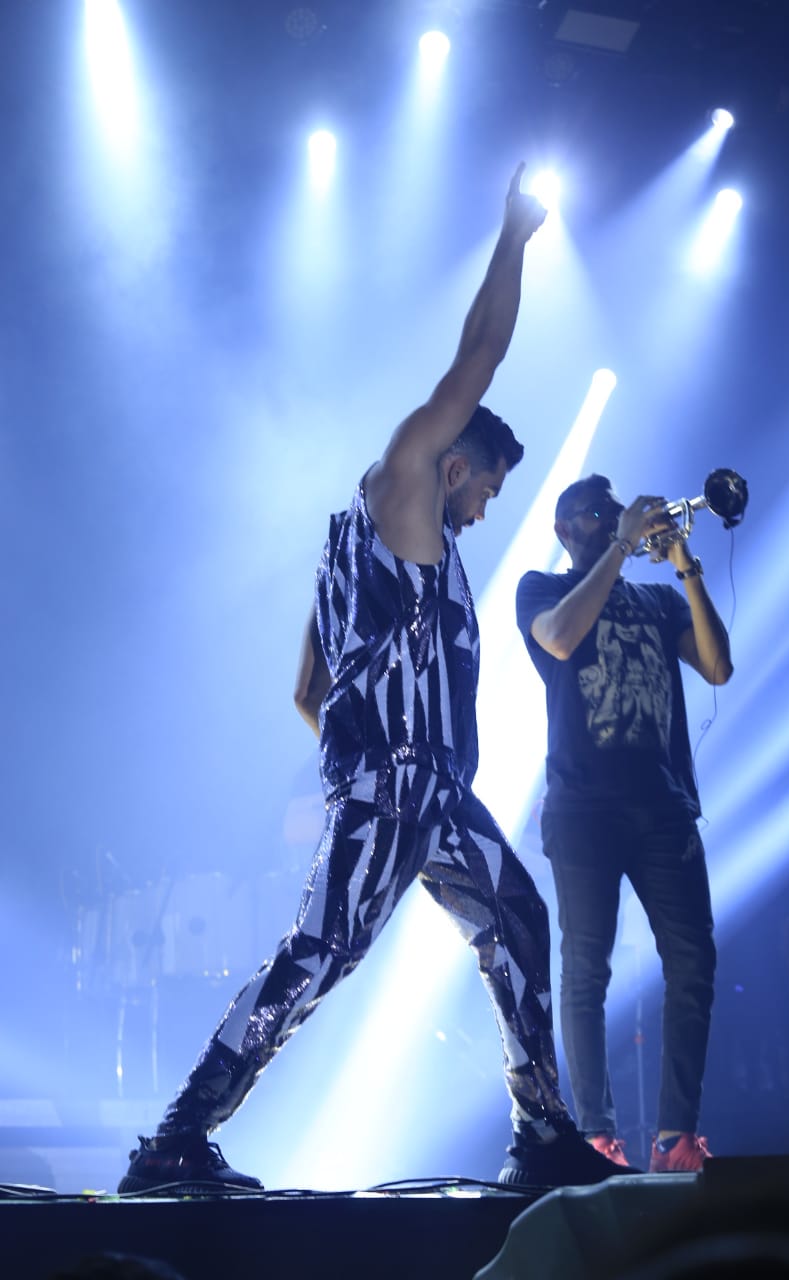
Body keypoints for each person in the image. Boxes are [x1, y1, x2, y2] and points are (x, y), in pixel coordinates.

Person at [118, 170, 630, 1196]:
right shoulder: (403, 491)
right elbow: (478, 356)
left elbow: (307, 688)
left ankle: (540, 1130)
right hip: (397, 786)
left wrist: (360, 757)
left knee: (515, 919)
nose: (486, 509)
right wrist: (514, 236)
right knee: (319, 953)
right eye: (488, 488)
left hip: (427, 791)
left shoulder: (366, 552)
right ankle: (175, 1135)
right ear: (453, 466)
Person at [515, 474, 733, 1173]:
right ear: (564, 530)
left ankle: (675, 1137)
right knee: (585, 970)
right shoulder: (541, 589)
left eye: (616, 511)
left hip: (663, 804)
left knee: (693, 960)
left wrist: (682, 562)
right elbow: (558, 641)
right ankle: (597, 1135)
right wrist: (620, 545)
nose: (613, 520)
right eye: (597, 513)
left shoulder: (658, 600)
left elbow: (718, 667)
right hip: (582, 808)